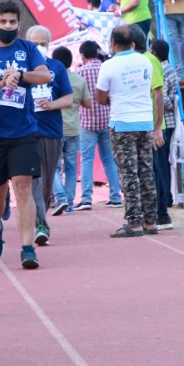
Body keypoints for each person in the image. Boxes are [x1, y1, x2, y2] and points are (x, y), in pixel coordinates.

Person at [0, 1, 53, 269]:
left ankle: (27, 248)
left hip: (24, 131)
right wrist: (3, 82)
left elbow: (46, 75)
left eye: (12, 22)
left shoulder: (27, 49)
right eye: (2, 22)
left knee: (23, 187)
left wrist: (22, 74)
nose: (7, 26)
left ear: (18, 25)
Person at [96, 25, 162, 237]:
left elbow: (101, 98)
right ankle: (151, 221)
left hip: (122, 124)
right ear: (133, 43)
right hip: (145, 122)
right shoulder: (146, 60)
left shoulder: (108, 65)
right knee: (146, 172)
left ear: (112, 43)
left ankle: (134, 223)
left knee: (128, 174)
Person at [24, 26, 73, 245]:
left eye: (43, 43)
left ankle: (39, 217)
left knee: (46, 184)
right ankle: (40, 224)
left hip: (52, 132)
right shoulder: (20, 67)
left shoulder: (56, 67)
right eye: (34, 44)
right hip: (26, 132)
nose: (39, 47)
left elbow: (69, 99)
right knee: (35, 181)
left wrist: (51, 104)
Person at [74, 40, 122, 210]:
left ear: (83, 55)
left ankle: (86, 198)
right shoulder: (106, 68)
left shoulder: (79, 72)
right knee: (109, 159)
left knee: (87, 159)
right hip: (107, 119)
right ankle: (116, 196)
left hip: (87, 121)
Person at [49, 46, 90, 216]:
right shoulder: (79, 80)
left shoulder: (51, 79)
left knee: (54, 167)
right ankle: (70, 203)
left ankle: (61, 198)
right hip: (74, 128)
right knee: (72, 168)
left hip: (56, 129)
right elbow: (88, 104)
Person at [150, 39, 179, 230]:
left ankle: (164, 200)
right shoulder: (170, 69)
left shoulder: (161, 69)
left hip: (162, 124)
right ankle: (167, 198)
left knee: (160, 164)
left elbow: (169, 99)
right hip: (167, 124)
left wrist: (159, 105)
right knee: (164, 164)